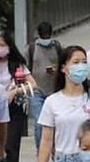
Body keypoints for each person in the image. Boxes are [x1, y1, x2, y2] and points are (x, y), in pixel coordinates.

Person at [0, 30, 36, 162]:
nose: (0, 48)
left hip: (13, 110)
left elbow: (33, 85)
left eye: (3, 45)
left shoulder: (17, 65)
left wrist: (15, 91)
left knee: (11, 146)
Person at [26, 21, 63, 153]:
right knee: (39, 123)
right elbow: (24, 67)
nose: (46, 38)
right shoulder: (31, 48)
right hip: (36, 90)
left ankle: (54, 150)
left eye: (48, 36)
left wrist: (55, 70)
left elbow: (64, 65)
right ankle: (40, 152)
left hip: (53, 90)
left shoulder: (57, 47)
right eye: (44, 36)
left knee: (55, 122)